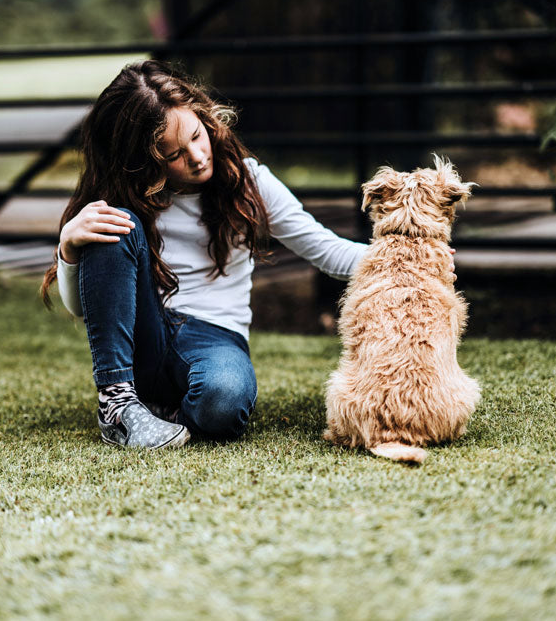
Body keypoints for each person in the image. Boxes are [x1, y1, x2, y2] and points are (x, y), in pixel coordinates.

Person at [39, 60, 372, 450]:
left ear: (206, 117)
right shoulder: (120, 202)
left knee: (224, 404)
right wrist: (69, 248)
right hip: (144, 334)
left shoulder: (250, 183)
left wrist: (413, 259)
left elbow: (327, 250)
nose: (197, 156)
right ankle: (117, 405)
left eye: (198, 136)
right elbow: (83, 311)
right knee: (113, 222)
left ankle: (159, 415)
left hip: (216, 335)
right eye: (174, 155)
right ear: (144, 162)